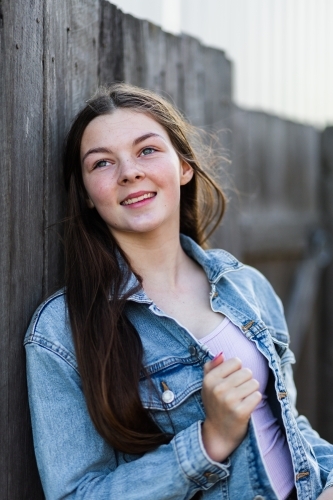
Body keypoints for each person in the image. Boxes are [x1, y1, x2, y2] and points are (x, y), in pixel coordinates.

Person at [25, 83, 333, 500]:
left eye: (147, 150)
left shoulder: (245, 285)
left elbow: (287, 424)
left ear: (184, 167)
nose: (129, 171)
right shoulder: (61, 332)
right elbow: (76, 494)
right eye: (101, 163)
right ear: (86, 195)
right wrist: (208, 441)